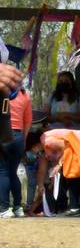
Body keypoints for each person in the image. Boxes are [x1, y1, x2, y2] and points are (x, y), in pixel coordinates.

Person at [1, 86, 31, 218]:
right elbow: (28, 121)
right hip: (18, 136)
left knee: (3, 172)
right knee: (12, 173)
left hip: (4, 134)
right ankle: (18, 207)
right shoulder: (24, 95)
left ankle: (4, 208)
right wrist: (23, 139)